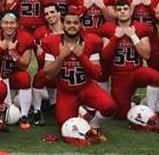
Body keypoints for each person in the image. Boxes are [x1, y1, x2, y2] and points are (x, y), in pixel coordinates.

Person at [40, 10, 115, 140]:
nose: (72, 26)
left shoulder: (91, 42)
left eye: (75, 23)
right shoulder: (52, 43)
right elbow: (48, 75)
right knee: (65, 127)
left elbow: (97, 74)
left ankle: (94, 125)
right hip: (66, 91)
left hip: (86, 87)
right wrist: (61, 57)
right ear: (62, 24)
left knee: (109, 107)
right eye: (68, 22)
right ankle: (83, 113)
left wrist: (81, 56)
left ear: (80, 25)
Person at [99, 0, 159, 121]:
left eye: (125, 9)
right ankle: (134, 103)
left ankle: (152, 111)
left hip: (137, 71)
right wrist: (116, 37)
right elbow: (105, 56)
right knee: (121, 116)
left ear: (130, 11)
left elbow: (147, 55)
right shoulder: (108, 27)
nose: (122, 12)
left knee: (155, 76)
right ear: (116, 12)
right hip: (119, 76)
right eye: (119, 9)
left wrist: (133, 36)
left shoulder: (140, 27)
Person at [0, 13, 36, 130]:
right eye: (6, 23)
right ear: (1, 24)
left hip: (14, 74)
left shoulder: (25, 37)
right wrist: (0, 49)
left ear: (17, 25)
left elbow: (25, 64)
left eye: (12, 23)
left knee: (25, 77)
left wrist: (12, 51)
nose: (9, 26)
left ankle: (24, 115)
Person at [131, 0, 159, 75]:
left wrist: (149, 6)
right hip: (134, 41)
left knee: (156, 72)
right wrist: (132, 7)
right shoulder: (131, 0)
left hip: (153, 40)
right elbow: (122, 20)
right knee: (132, 73)